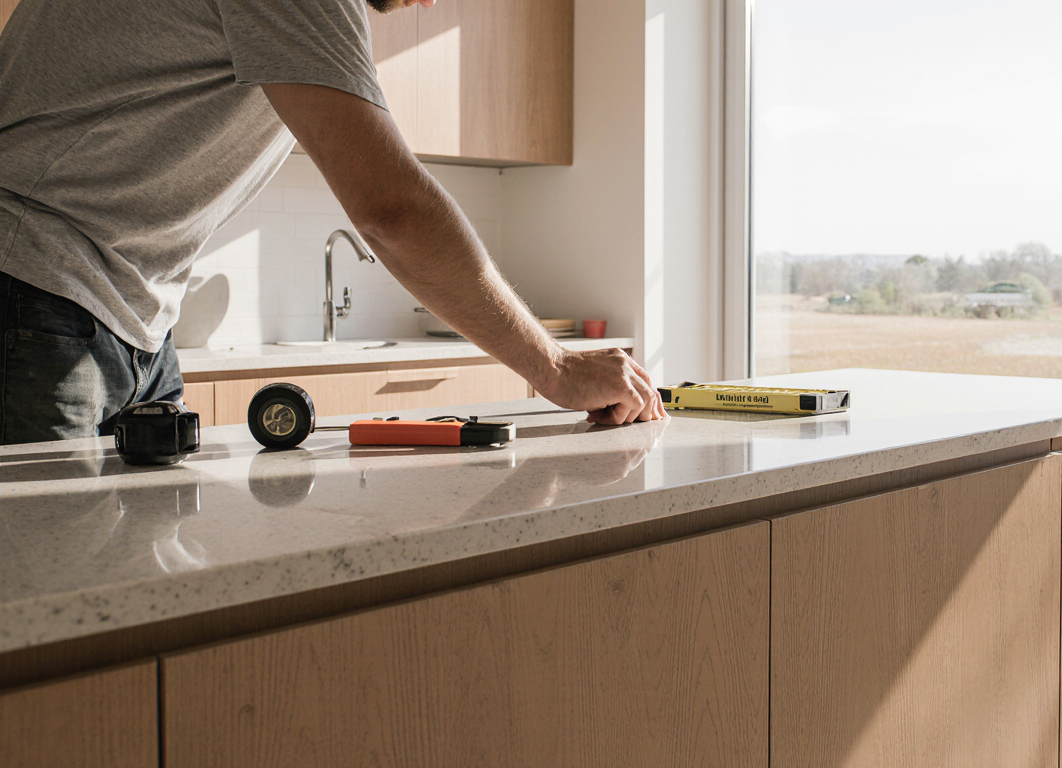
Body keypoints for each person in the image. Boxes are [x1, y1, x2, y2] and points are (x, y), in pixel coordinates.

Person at [0, 0, 665, 446]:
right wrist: (554, 367)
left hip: (121, 319)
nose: (435, 3)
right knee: (53, 604)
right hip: (37, 295)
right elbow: (392, 208)